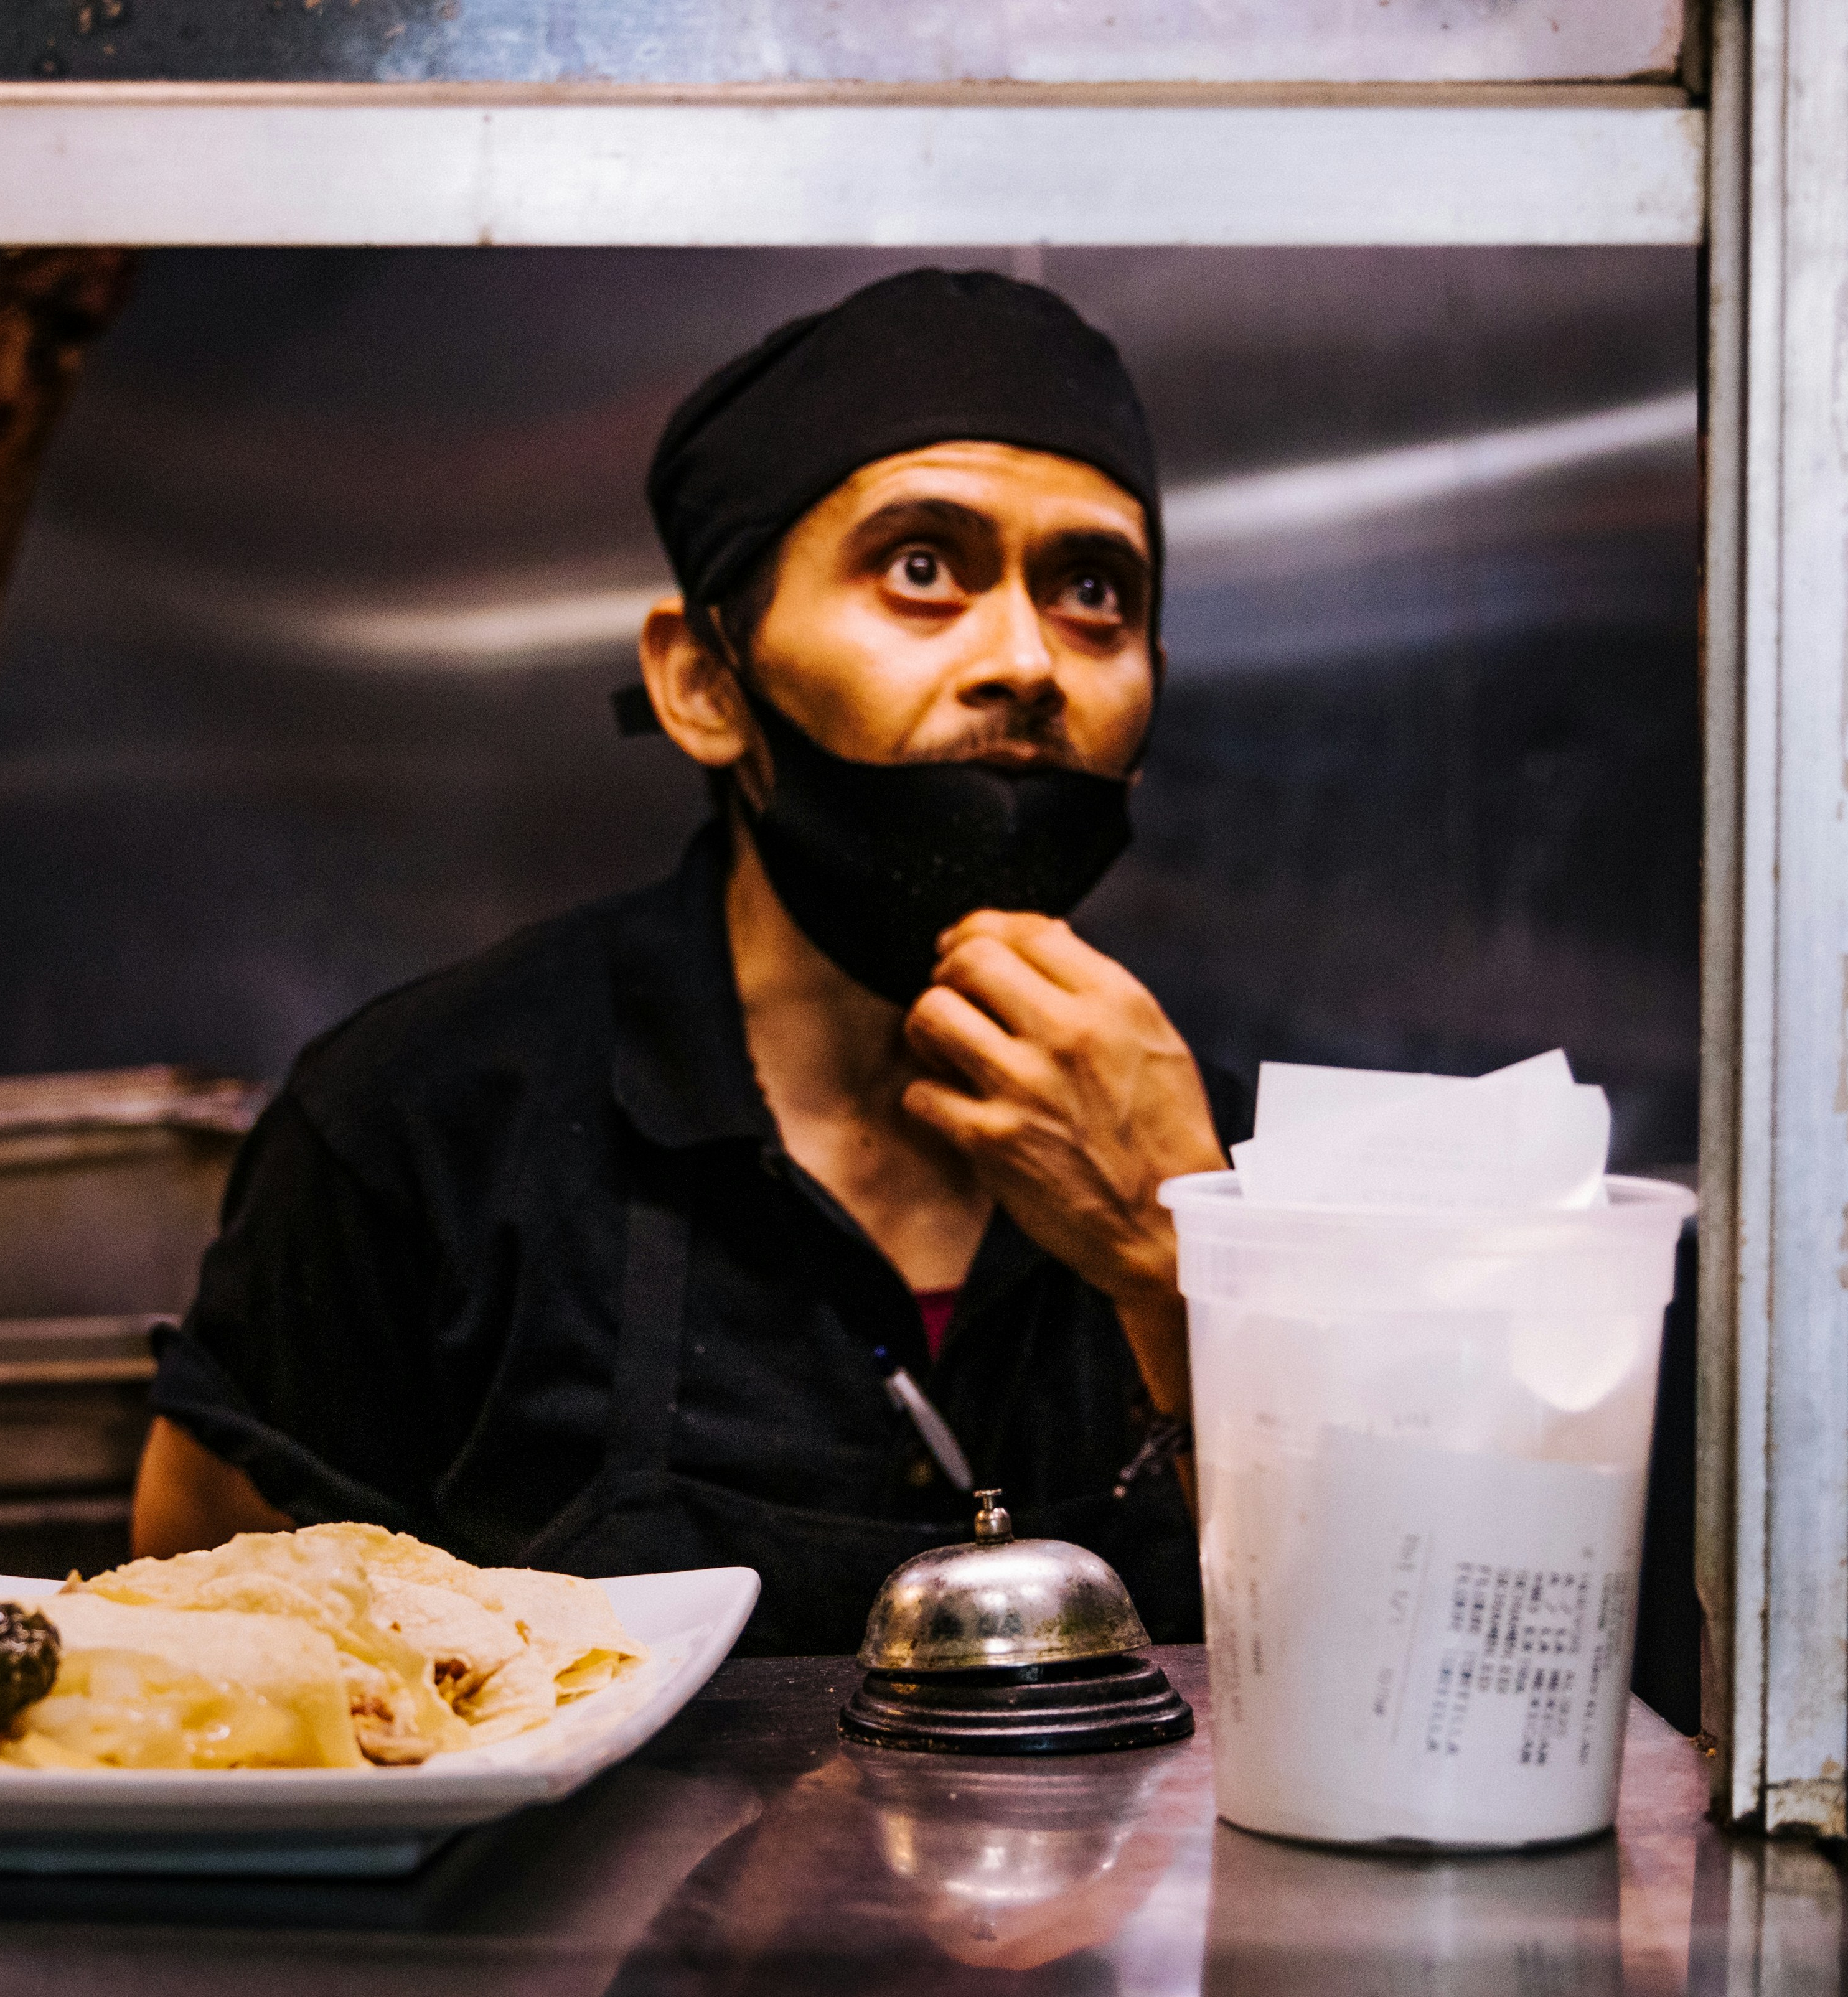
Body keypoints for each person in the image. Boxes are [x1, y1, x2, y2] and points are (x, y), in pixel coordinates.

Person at [131, 268, 1241, 1654]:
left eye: (1091, 591)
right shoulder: (419, 1131)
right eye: (919, 570)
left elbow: (1387, 1668)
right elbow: (192, 1636)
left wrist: (1174, 1253)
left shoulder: (1254, 1160)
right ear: (704, 683)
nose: (1023, 658)